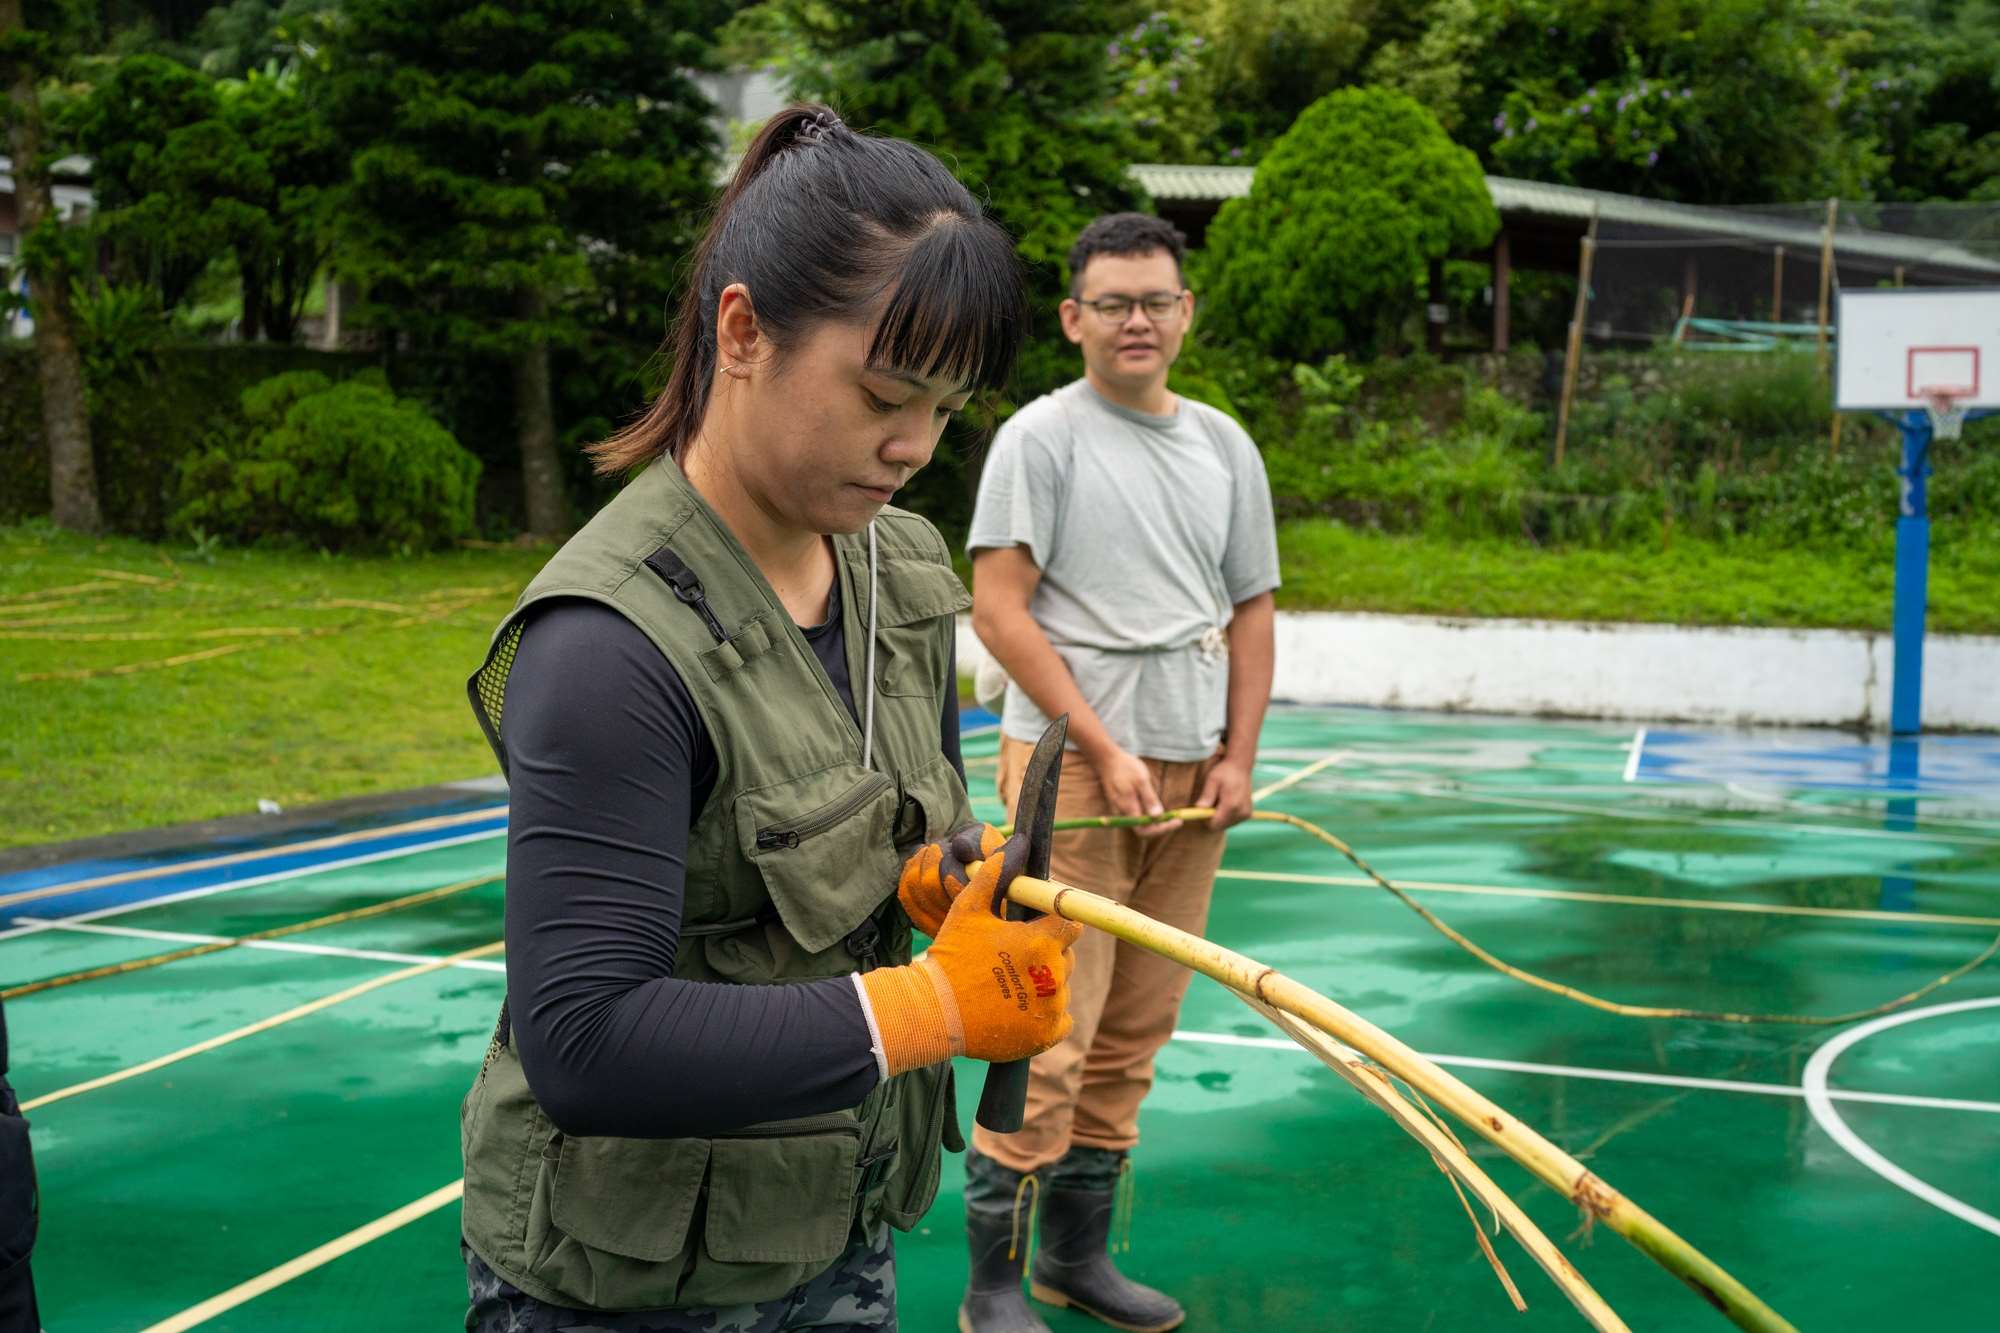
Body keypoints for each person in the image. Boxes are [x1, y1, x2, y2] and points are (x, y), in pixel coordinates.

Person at [457, 104, 1083, 1333]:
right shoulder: (608, 643)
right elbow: (586, 1039)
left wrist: (934, 877)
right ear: (741, 332)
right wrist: (936, 1009)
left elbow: (891, 806)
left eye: (947, 409)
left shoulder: (891, 563)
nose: (911, 447)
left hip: (831, 1222)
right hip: (629, 1284)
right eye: (883, 393)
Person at [959, 213, 1280, 1332]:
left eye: (1154, 300)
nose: (1135, 320)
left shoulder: (1225, 446)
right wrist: (1100, 745)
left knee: (1137, 1025)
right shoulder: (1038, 440)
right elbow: (997, 608)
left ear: (1185, 311)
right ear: (1072, 319)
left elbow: (1251, 611)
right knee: (1049, 1022)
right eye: (1111, 303)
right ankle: (991, 1284)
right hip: (1074, 767)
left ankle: (1071, 1260)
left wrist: (1238, 755)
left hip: (1191, 769)